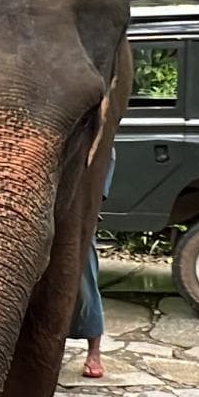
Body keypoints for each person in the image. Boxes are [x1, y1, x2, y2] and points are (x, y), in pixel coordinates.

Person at [70, 149, 117, 379]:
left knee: (84, 282)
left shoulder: (99, 139)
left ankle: (94, 352)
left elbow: (101, 174)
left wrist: (91, 210)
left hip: (79, 212)